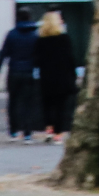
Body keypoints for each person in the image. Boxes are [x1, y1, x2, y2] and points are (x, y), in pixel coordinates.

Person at [0, 15, 43, 141]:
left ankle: (13, 131)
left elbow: (3, 53)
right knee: (27, 103)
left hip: (14, 71)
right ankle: (27, 133)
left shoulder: (11, 34)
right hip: (29, 72)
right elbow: (40, 56)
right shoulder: (35, 35)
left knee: (13, 102)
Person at [34, 10, 81, 142]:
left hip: (46, 78)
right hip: (62, 77)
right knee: (61, 106)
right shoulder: (64, 39)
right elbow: (70, 59)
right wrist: (74, 75)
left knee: (47, 105)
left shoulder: (40, 40)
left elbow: (36, 60)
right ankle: (58, 134)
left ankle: (49, 129)